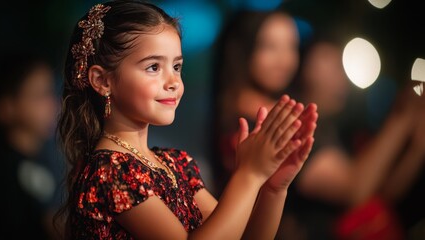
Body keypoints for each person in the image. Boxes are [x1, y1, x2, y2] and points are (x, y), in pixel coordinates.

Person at [55, 1, 318, 239]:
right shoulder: (109, 172)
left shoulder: (175, 163)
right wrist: (249, 174)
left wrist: (272, 187)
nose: (173, 82)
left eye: (177, 67)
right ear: (102, 80)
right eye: (153, 67)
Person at [278, 33, 424, 240]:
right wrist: (402, 114)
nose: (342, 70)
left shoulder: (336, 131)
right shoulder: (298, 129)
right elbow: (354, 189)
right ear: (304, 67)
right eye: (331, 59)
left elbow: (379, 194)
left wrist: (418, 146)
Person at [212, 8, 300, 197]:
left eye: (292, 46)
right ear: (244, 49)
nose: (285, 59)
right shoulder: (241, 118)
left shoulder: (281, 107)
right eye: (270, 46)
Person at [0, 52, 61, 239]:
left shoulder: (42, 159)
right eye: (39, 96)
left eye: (51, 92)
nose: (52, 104)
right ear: (6, 108)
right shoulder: (7, 174)